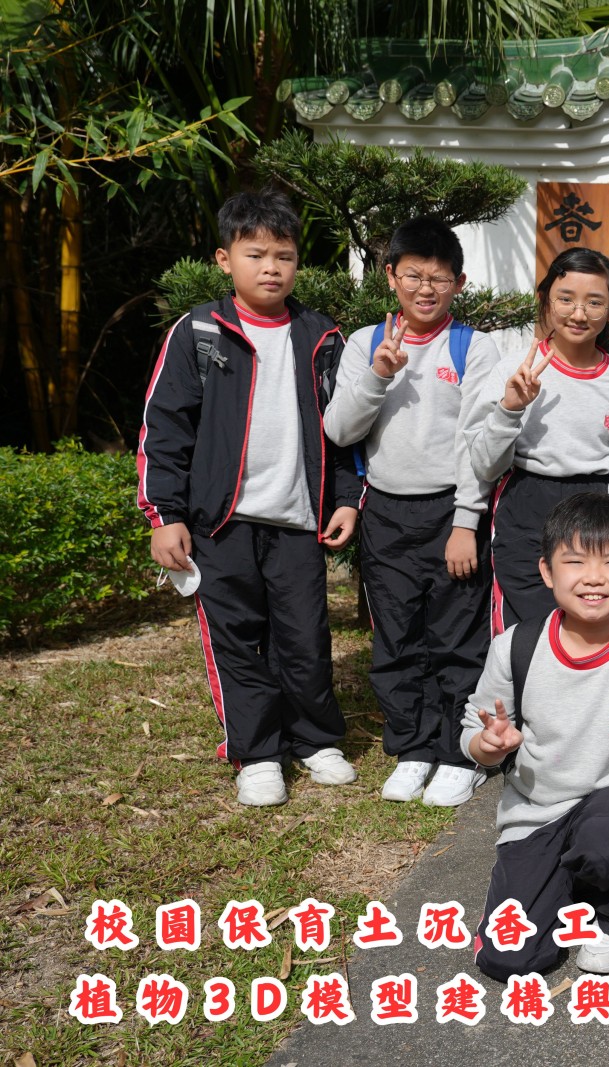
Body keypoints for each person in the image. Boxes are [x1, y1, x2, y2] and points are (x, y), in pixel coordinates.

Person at [138, 189, 360, 808]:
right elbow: (165, 428)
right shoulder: (200, 332)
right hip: (220, 523)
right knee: (235, 638)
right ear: (224, 259)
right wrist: (165, 515)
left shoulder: (321, 335)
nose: (270, 268)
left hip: (297, 518)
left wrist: (346, 498)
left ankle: (315, 739)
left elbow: (345, 430)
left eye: (283, 256)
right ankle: (258, 753)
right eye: (255, 254)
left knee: (305, 637)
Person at [462, 492, 609, 981]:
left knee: (605, 838)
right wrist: (488, 746)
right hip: (534, 814)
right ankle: (562, 882)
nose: (593, 577)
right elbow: (474, 734)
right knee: (509, 959)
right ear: (547, 571)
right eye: (575, 561)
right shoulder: (515, 647)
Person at [323, 216, 499, 807]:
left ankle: (457, 753)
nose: (426, 289)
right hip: (386, 514)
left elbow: (479, 443)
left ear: (459, 284)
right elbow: (339, 429)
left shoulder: (473, 347)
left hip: (451, 512)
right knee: (396, 637)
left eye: (440, 279)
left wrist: (466, 523)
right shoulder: (365, 343)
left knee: (456, 637)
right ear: (390, 276)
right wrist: (379, 375)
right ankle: (413, 746)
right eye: (413, 276)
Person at [463, 248, 609, 634]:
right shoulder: (513, 370)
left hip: (598, 512)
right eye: (565, 299)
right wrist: (510, 408)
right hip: (526, 508)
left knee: (591, 630)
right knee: (525, 633)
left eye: (593, 303)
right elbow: (484, 464)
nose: (578, 314)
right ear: (545, 299)